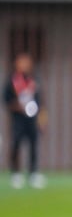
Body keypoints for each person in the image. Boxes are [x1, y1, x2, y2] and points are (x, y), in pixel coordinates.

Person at [4, 52, 46, 189]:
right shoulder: (11, 81)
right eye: (22, 62)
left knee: (33, 144)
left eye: (27, 62)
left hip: (32, 119)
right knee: (16, 143)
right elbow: (5, 99)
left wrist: (42, 118)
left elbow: (40, 101)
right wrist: (16, 106)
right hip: (17, 118)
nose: (25, 65)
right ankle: (15, 173)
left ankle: (33, 173)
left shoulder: (34, 80)